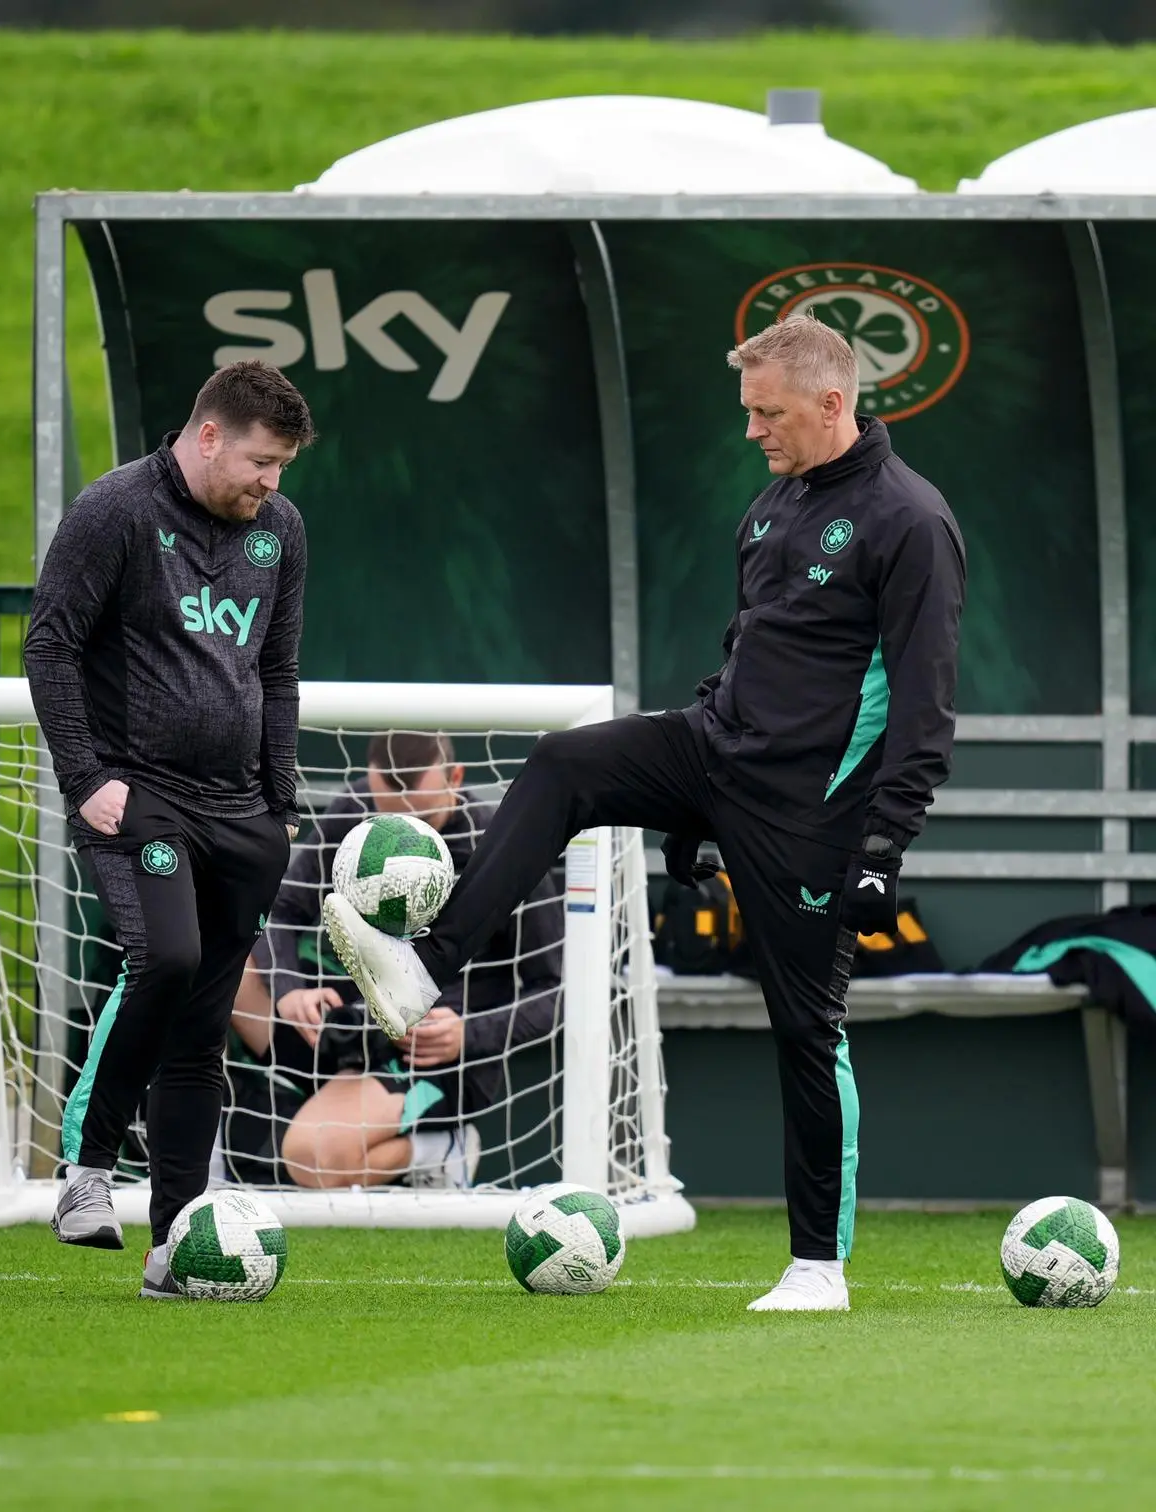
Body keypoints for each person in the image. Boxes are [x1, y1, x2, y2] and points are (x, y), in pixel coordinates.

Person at [322, 312, 966, 1313]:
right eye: (747, 412)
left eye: (768, 413)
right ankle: (425, 965)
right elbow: (745, 657)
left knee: (805, 1027)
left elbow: (924, 704)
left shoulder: (908, 520)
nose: (752, 429)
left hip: (809, 810)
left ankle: (815, 1267)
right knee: (566, 764)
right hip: (713, 751)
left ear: (832, 403)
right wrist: (693, 811)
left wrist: (883, 845)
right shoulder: (766, 509)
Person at [23, 359, 315, 1300]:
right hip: (134, 793)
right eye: (261, 462)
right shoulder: (116, 510)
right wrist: (86, 778)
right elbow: (50, 644)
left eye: (282, 468)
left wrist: (278, 801)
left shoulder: (280, 530)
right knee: (168, 958)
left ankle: (173, 1248)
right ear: (207, 437)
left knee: (201, 1038)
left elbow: (277, 669)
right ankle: (87, 1169)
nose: (270, 483)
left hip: (240, 812)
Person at [228, 730, 563, 1191]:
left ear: (457, 777)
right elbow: (280, 907)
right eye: (389, 814)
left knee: (311, 1157)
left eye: (421, 815)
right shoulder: (353, 810)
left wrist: (469, 1034)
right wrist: (289, 990)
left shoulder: (504, 846)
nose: (404, 834)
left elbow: (555, 992)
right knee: (222, 963)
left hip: (435, 1060)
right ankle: (201, 1151)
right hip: (343, 1034)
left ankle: (441, 1149)